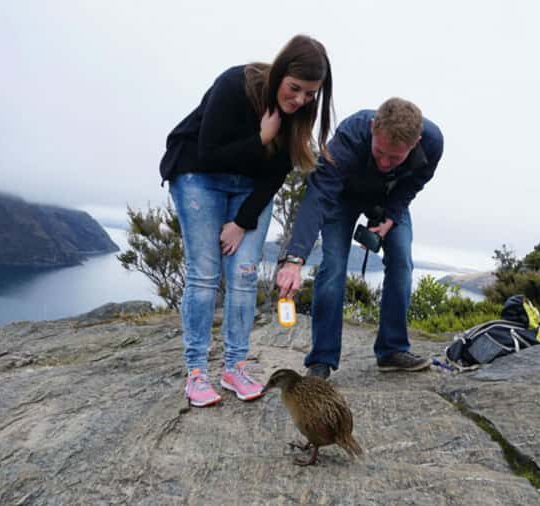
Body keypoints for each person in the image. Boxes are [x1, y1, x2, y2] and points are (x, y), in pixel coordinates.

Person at [159, 35, 334, 407]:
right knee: (205, 274)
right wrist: (260, 139)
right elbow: (207, 153)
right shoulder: (235, 85)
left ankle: (234, 366)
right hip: (197, 176)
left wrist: (241, 221)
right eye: (295, 88)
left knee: (243, 274)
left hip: (249, 189)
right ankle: (196, 374)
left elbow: (275, 175)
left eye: (310, 94)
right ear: (280, 72)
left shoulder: (300, 113)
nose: (301, 99)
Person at [276, 98, 443, 379]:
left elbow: (415, 183)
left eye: (395, 157)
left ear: (415, 143)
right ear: (372, 128)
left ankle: (392, 350)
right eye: (379, 152)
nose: (385, 163)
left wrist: (391, 216)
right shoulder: (348, 137)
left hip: (390, 199)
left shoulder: (433, 142)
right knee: (334, 266)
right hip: (343, 198)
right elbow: (318, 196)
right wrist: (294, 260)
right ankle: (322, 359)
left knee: (402, 261)